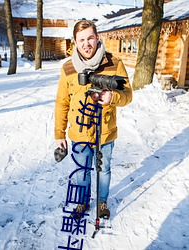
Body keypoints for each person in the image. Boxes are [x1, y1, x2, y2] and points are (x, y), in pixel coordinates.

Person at [54, 20, 132, 219]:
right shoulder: (68, 68)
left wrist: (112, 97)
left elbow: (128, 95)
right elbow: (62, 102)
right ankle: (81, 202)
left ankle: (102, 201)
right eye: (81, 40)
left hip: (105, 131)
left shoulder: (114, 63)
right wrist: (59, 134)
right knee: (81, 171)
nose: (86, 44)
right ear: (75, 42)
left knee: (103, 169)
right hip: (79, 132)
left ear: (97, 38)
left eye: (90, 38)